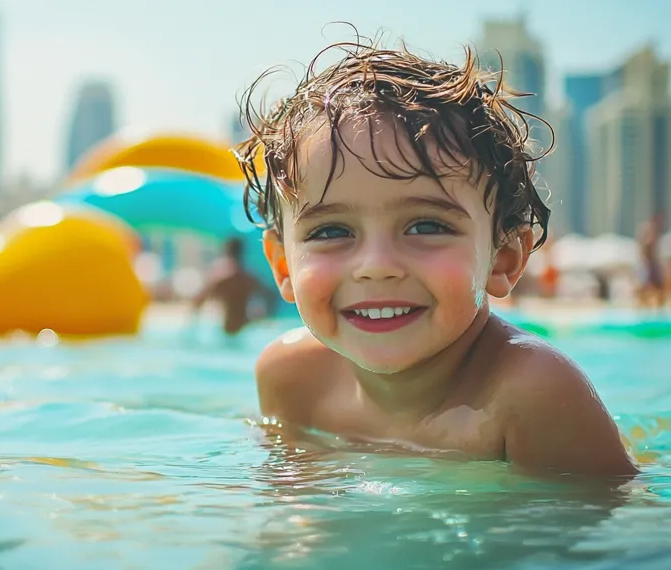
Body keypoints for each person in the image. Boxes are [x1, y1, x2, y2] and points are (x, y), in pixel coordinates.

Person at [231, 34, 638, 481]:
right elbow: (294, 512)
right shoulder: (290, 379)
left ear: (503, 258)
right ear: (284, 266)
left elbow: (590, 537)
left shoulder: (531, 395)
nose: (376, 265)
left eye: (426, 226)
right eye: (331, 231)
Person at [191, 237, 276, 335]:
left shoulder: (220, 280)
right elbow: (271, 296)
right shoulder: (249, 279)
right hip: (245, 330)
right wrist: (264, 315)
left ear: (226, 253)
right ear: (242, 253)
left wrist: (195, 325)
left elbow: (197, 303)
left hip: (224, 331)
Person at [637, 215, 665, 310]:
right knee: (644, 294)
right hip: (646, 269)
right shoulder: (645, 248)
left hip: (651, 269)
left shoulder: (653, 248)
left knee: (658, 292)